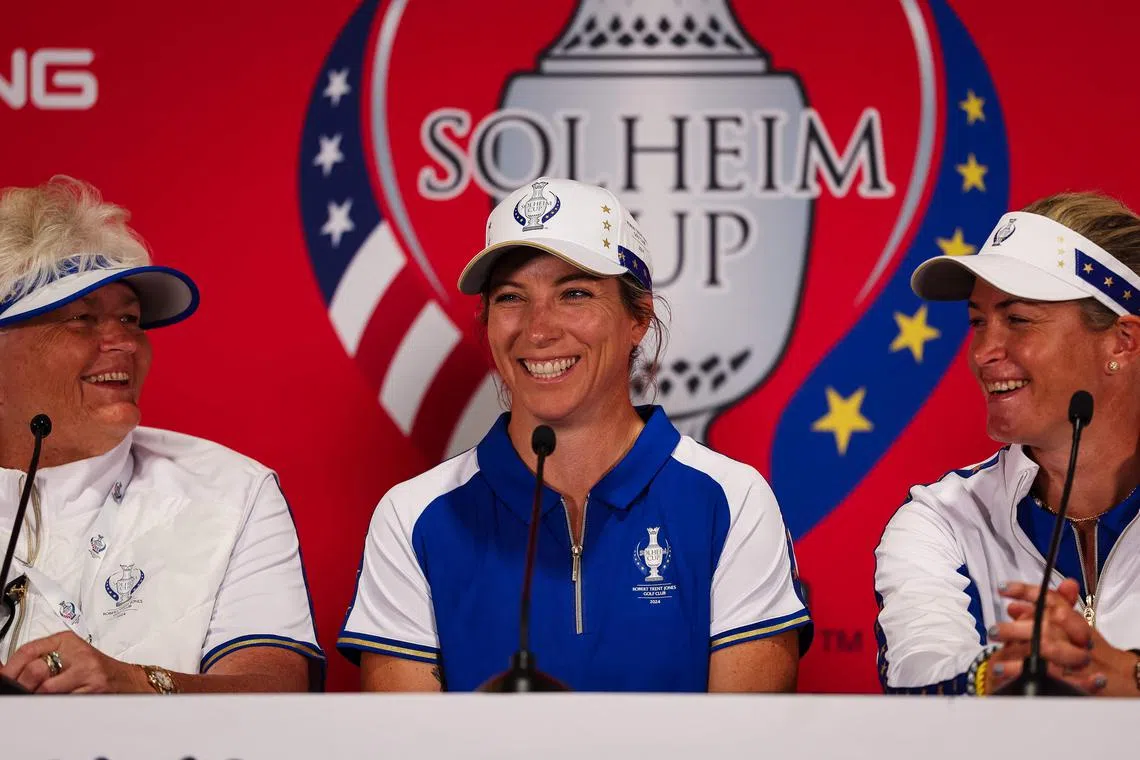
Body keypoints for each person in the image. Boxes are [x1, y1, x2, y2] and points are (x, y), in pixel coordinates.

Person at [338, 177, 811, 691]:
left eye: (575, 293)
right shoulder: (412, 516)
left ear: (639, 319)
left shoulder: (732, 501)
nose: (538, 330)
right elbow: (408, 749)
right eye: (511, 297)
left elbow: (745, 747)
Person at [0, 177, 323, 693]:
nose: (123, 342)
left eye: (130, 318)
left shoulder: (230, 490)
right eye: (83, 318)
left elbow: (274, 696)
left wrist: (132, 684)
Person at [875, 192, 1140, 696]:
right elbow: (917, 677)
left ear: (1121, 342)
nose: (983, 353)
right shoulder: (943, 518)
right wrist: (1012, 672)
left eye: (1017, 319)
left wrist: (1126, 675)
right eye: (978, 321)